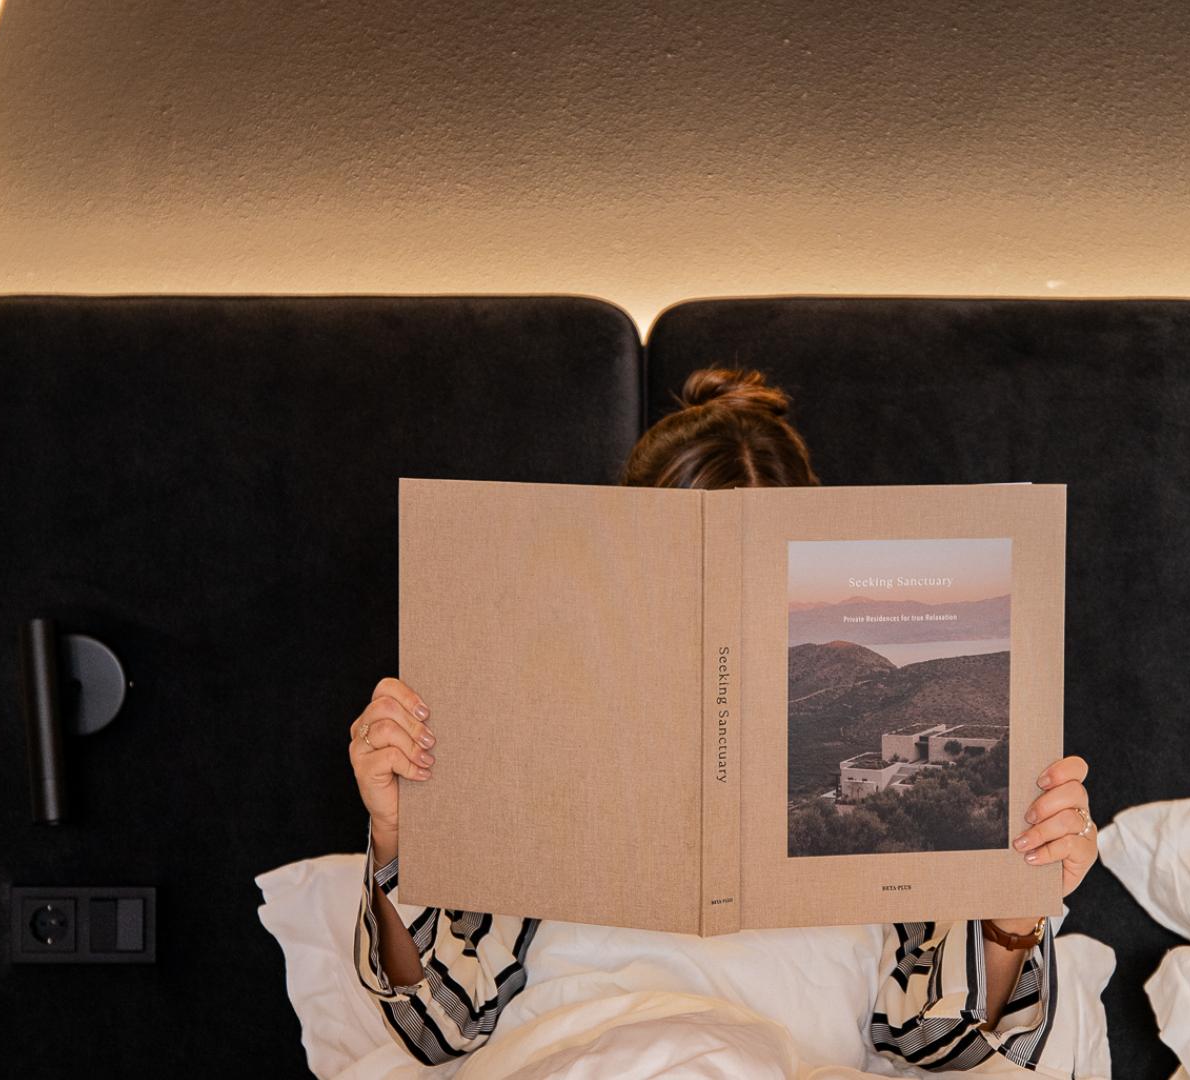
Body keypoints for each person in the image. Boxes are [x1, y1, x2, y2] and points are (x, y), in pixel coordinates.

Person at [346, 369, 1100, 1072]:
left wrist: (1014, 915)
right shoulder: (537, 744)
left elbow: (943, 1041)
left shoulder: (885, 814)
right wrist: (397, 836)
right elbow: (438, 1025)